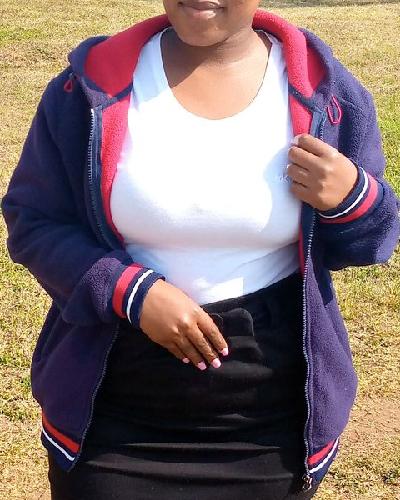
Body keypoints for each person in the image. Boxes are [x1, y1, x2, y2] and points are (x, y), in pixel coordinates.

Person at [2, 1, 399, 499]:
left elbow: (373, 242)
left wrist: (351, 197)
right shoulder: (89, 86)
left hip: (270, 426)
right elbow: (34, 220)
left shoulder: (326, 92)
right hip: (112, 417)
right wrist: (132, 293)